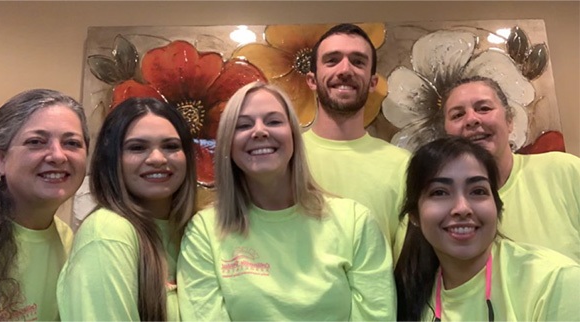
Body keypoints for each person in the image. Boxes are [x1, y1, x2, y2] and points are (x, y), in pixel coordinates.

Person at [178, 82, 395, 321]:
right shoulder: (204, 232)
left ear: (293, 136)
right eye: (243, 125)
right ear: (228, 144)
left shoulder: (355, 222)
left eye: (273, 121)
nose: (259, 131)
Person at [394, 136, 580, 321]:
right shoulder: (412, 296)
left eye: (478, 191)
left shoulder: (553, 282)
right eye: (440, 192)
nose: (462, 208)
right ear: (414, 216)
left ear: (497, 206)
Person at [57, 97, 197, 321]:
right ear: (112, 160)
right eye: (138, 147)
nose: (158, 159)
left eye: (171, 146)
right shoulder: (107, 232)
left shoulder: (194, 231)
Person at [441, 75, 580, 262]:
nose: (471, 119)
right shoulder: (440, 207)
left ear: (509, 121)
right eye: (458, 115)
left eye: (484, 108)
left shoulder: (564, 171)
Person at [0, 89, 89, 320]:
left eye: (72, 143)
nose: (58, 156)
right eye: (36, 142)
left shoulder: (67, 240)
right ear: (0, 158)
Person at [303, 23, 411, 246]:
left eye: (358, 61)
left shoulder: (402, 165)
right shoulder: (287, 158)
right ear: (312, 81)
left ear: (373, 83)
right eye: (332, 60)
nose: (345, 70)